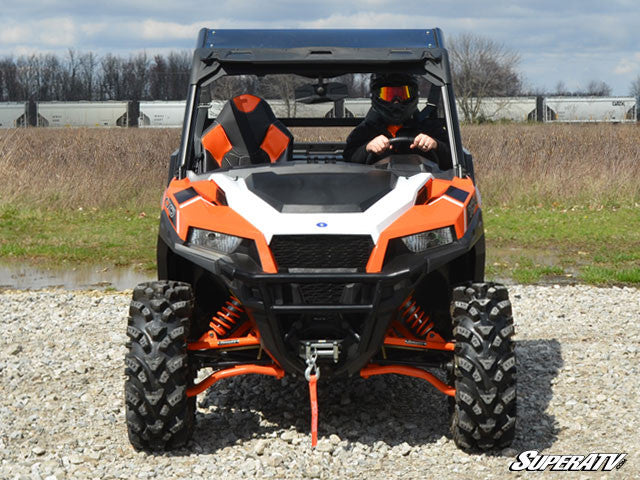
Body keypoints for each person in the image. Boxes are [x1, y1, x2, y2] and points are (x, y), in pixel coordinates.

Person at [343, 73, 452, 169]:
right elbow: (348, 158)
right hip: (377, 187)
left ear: (413, 95)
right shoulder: (366, 129)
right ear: (376, 96)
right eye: (388, 95)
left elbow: (455, 158)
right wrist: (367, 148)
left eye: (403, 95)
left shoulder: (428, 127)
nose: (396, 102)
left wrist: (436, 145)